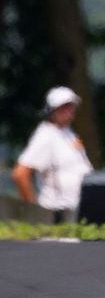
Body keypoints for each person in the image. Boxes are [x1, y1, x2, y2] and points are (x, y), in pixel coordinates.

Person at [11, 86, 93, 222]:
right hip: (57, 215)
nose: (69, 110)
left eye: (71, 106)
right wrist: (35, 214)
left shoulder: (69, 133)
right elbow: (20, 174)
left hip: (76, 214)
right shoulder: (46, 135)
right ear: (51, 110)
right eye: (63, 107)